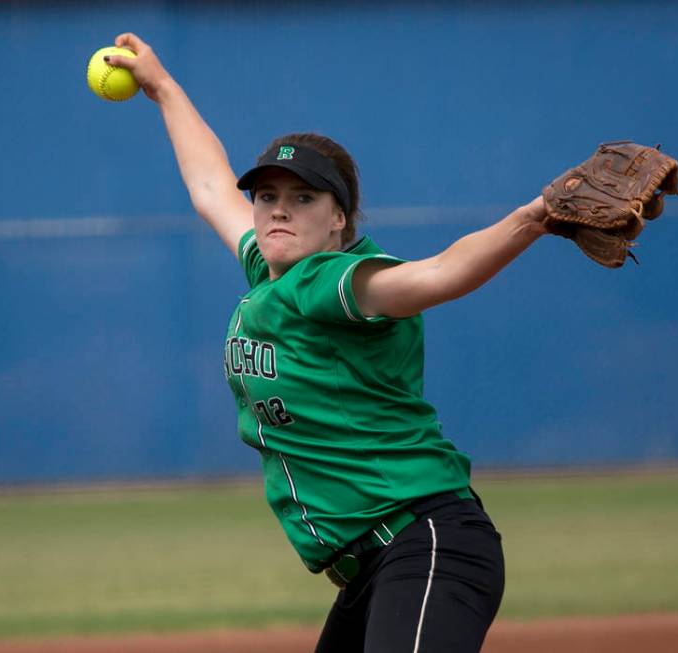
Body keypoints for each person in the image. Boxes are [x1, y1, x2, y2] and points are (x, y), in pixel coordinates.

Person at [106, 33, 555, 652]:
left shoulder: (329, 278)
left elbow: (438, 275)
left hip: (425, 543)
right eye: (267, 196)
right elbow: (210, 188)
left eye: (303, 198)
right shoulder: (273, 274)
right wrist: (162, 88)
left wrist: (537, 215)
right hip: (375, 567)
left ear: (339, 217)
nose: (278, 211)